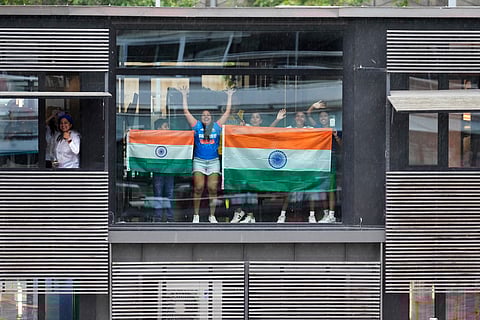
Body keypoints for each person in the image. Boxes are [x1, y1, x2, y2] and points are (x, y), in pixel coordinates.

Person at [178, 86, 234, 223]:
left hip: (214, 161)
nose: (206, 117)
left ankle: (212, 215)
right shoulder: (197, 126)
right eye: (204, 115)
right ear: (201, 118)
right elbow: (186, 111)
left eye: (208, 115)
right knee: (198, 188)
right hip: (199, 161)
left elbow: (227, 112)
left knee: (212, 188)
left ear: (211, 117)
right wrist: (184, 95)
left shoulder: (217, 126)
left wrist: (229, 96)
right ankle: (196, 215)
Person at [271, 109, 317, 223]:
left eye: (302, 116)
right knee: (289, 191)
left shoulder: (309, 130)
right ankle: (282, 215)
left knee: (310, 190)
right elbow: (270, 131)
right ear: (294, 118)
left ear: (305, 119)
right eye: (298, 116)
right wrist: (277, 119)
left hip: (307, 165)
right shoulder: (289, 130)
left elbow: (322, 131)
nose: (300, 118)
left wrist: (312, 109)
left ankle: (312, 215)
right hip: (292, 166)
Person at [307, 100, 342, 223]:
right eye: (321, 116)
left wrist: (336, 135)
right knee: (322, 188)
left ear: (329, 118)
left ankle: (332, 215)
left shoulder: (335, 129)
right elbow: (308, 115)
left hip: (331, 159)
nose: (323, 118)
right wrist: (313, 106)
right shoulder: (318, 129)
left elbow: (342, 146)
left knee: (331, 188)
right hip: (320, 160)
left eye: (325, 116)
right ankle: (325, 213)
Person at [152, 119, 175, 222]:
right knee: (158, 195)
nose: (168, 128)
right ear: (158, 129)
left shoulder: (173, 140)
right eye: (165, 126)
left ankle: (170, 218)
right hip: (158, 171)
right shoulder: (152, 140)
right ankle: (158, 218)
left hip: (169, 171)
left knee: (169, 195)